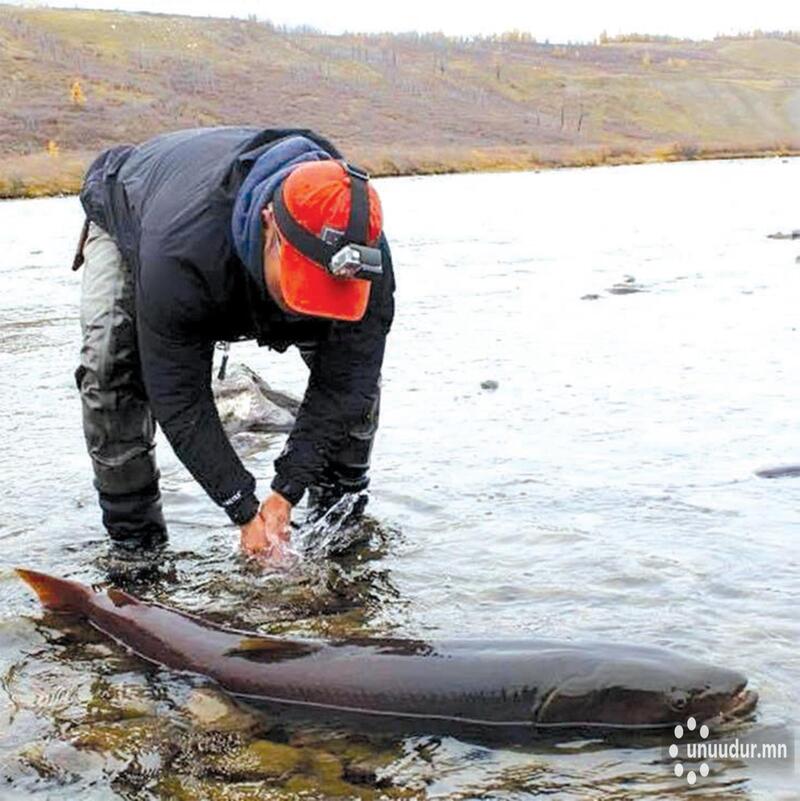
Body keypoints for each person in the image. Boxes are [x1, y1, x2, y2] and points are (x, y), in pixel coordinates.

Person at [74, 127, 395, 558]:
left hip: (211, 222)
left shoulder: (365, 251)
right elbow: (179, 396)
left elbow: (346, 384)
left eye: (331, 296)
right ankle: (137, 553)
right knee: (111, 368)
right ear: (269, 227)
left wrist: (285, 493)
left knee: (355, 378)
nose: (311, 311)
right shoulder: (179, 254)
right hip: (134, 212)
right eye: (305, 292)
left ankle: (340, 530)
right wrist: (241, 508)